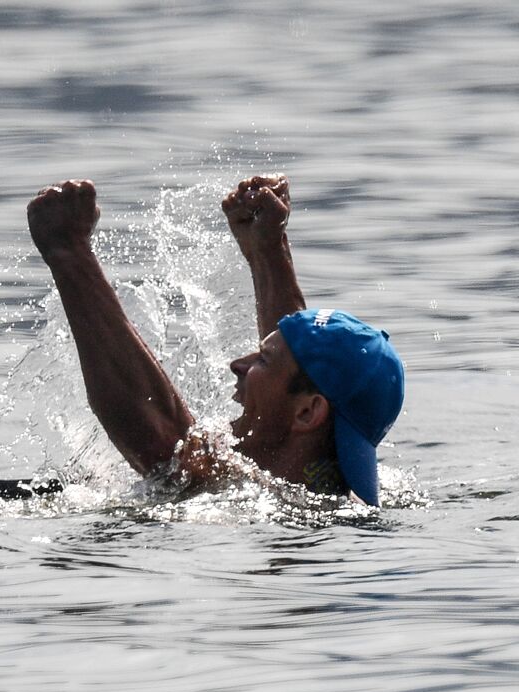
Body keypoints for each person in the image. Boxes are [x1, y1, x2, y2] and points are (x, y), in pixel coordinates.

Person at [26, 174, 404, 505]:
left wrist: (70, 253)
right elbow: (298, 370)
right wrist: (267, 250)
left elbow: (161, 445)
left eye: (261, 361)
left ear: (309, 413)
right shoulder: (326, 486)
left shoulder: (244, 497)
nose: (237, 365)